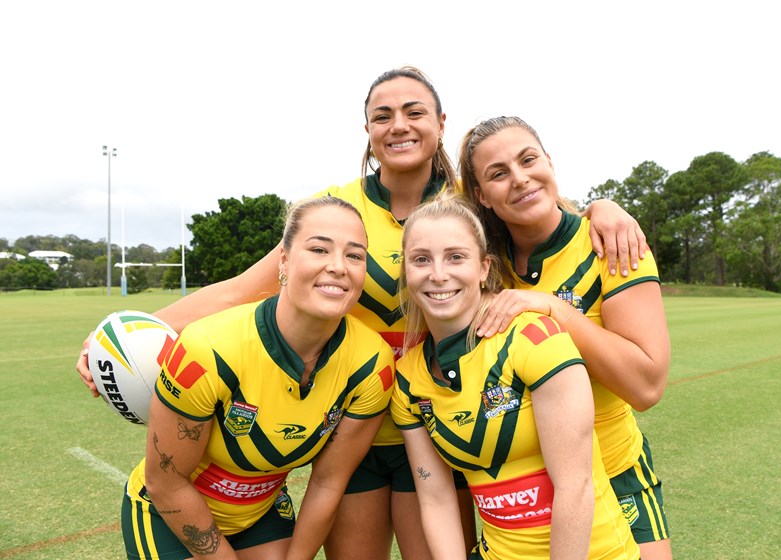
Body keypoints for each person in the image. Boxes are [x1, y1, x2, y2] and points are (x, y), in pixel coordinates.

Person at [78, 67, 646, 560]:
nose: (399, 125)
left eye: (414, 112)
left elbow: (536, 208)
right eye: (382, 116)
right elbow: (237, 292)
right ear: (369, 133)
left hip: (448, 430)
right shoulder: (337, 209)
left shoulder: (471, 202)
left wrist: (603, 208)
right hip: (357, 435)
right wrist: (130, 335)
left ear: (441, 124)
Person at [121, 196, 395, 560]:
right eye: (318, 249)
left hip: (262, 512)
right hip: (168, 513)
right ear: (283, 260)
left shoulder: (372, 365)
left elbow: (328, 483)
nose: (338, 267)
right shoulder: (208, 348)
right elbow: (166, 482)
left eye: (355, 255)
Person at [459, 116, 672, 559]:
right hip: (523, 487)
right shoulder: (480, 263)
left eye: (528, 159)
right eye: (498, 174)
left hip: (614, 472)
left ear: (549, 161)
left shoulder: (611, 244)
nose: (519, 179)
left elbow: (647, 385)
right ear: (481, 195)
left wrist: (554, 308)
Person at [391, 194, 640, 560]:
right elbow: (436, 496)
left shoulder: (535, 337)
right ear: (407, 272)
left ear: (482, 267)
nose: (438, 274)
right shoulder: (409, 380)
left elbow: (575, 485)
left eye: (456, 257)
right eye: (421, 260)